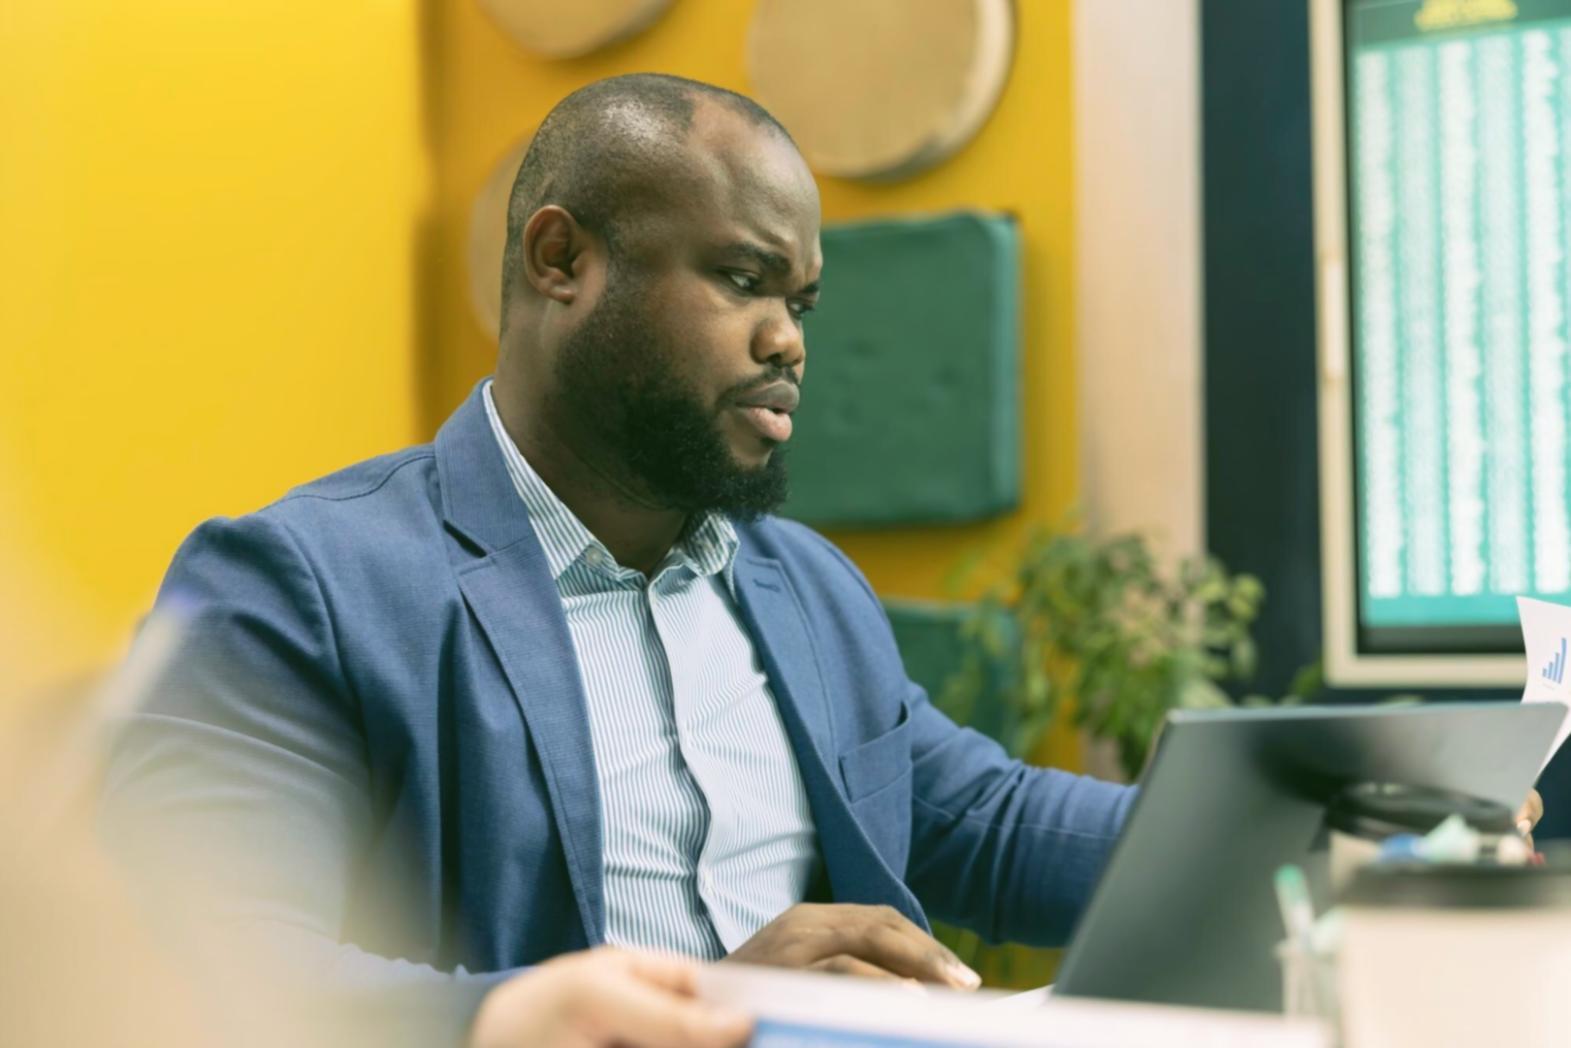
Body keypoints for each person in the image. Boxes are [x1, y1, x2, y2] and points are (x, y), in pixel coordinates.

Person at [98, 72, 1541, 1047]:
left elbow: (987, 824)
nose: (789, 337)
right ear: (560, 259)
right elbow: (201, 968)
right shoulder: (300, 588)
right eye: (742, 279)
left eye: (801, 298)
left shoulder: (802, 588)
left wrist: (1342, 840)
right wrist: (684, 1009)